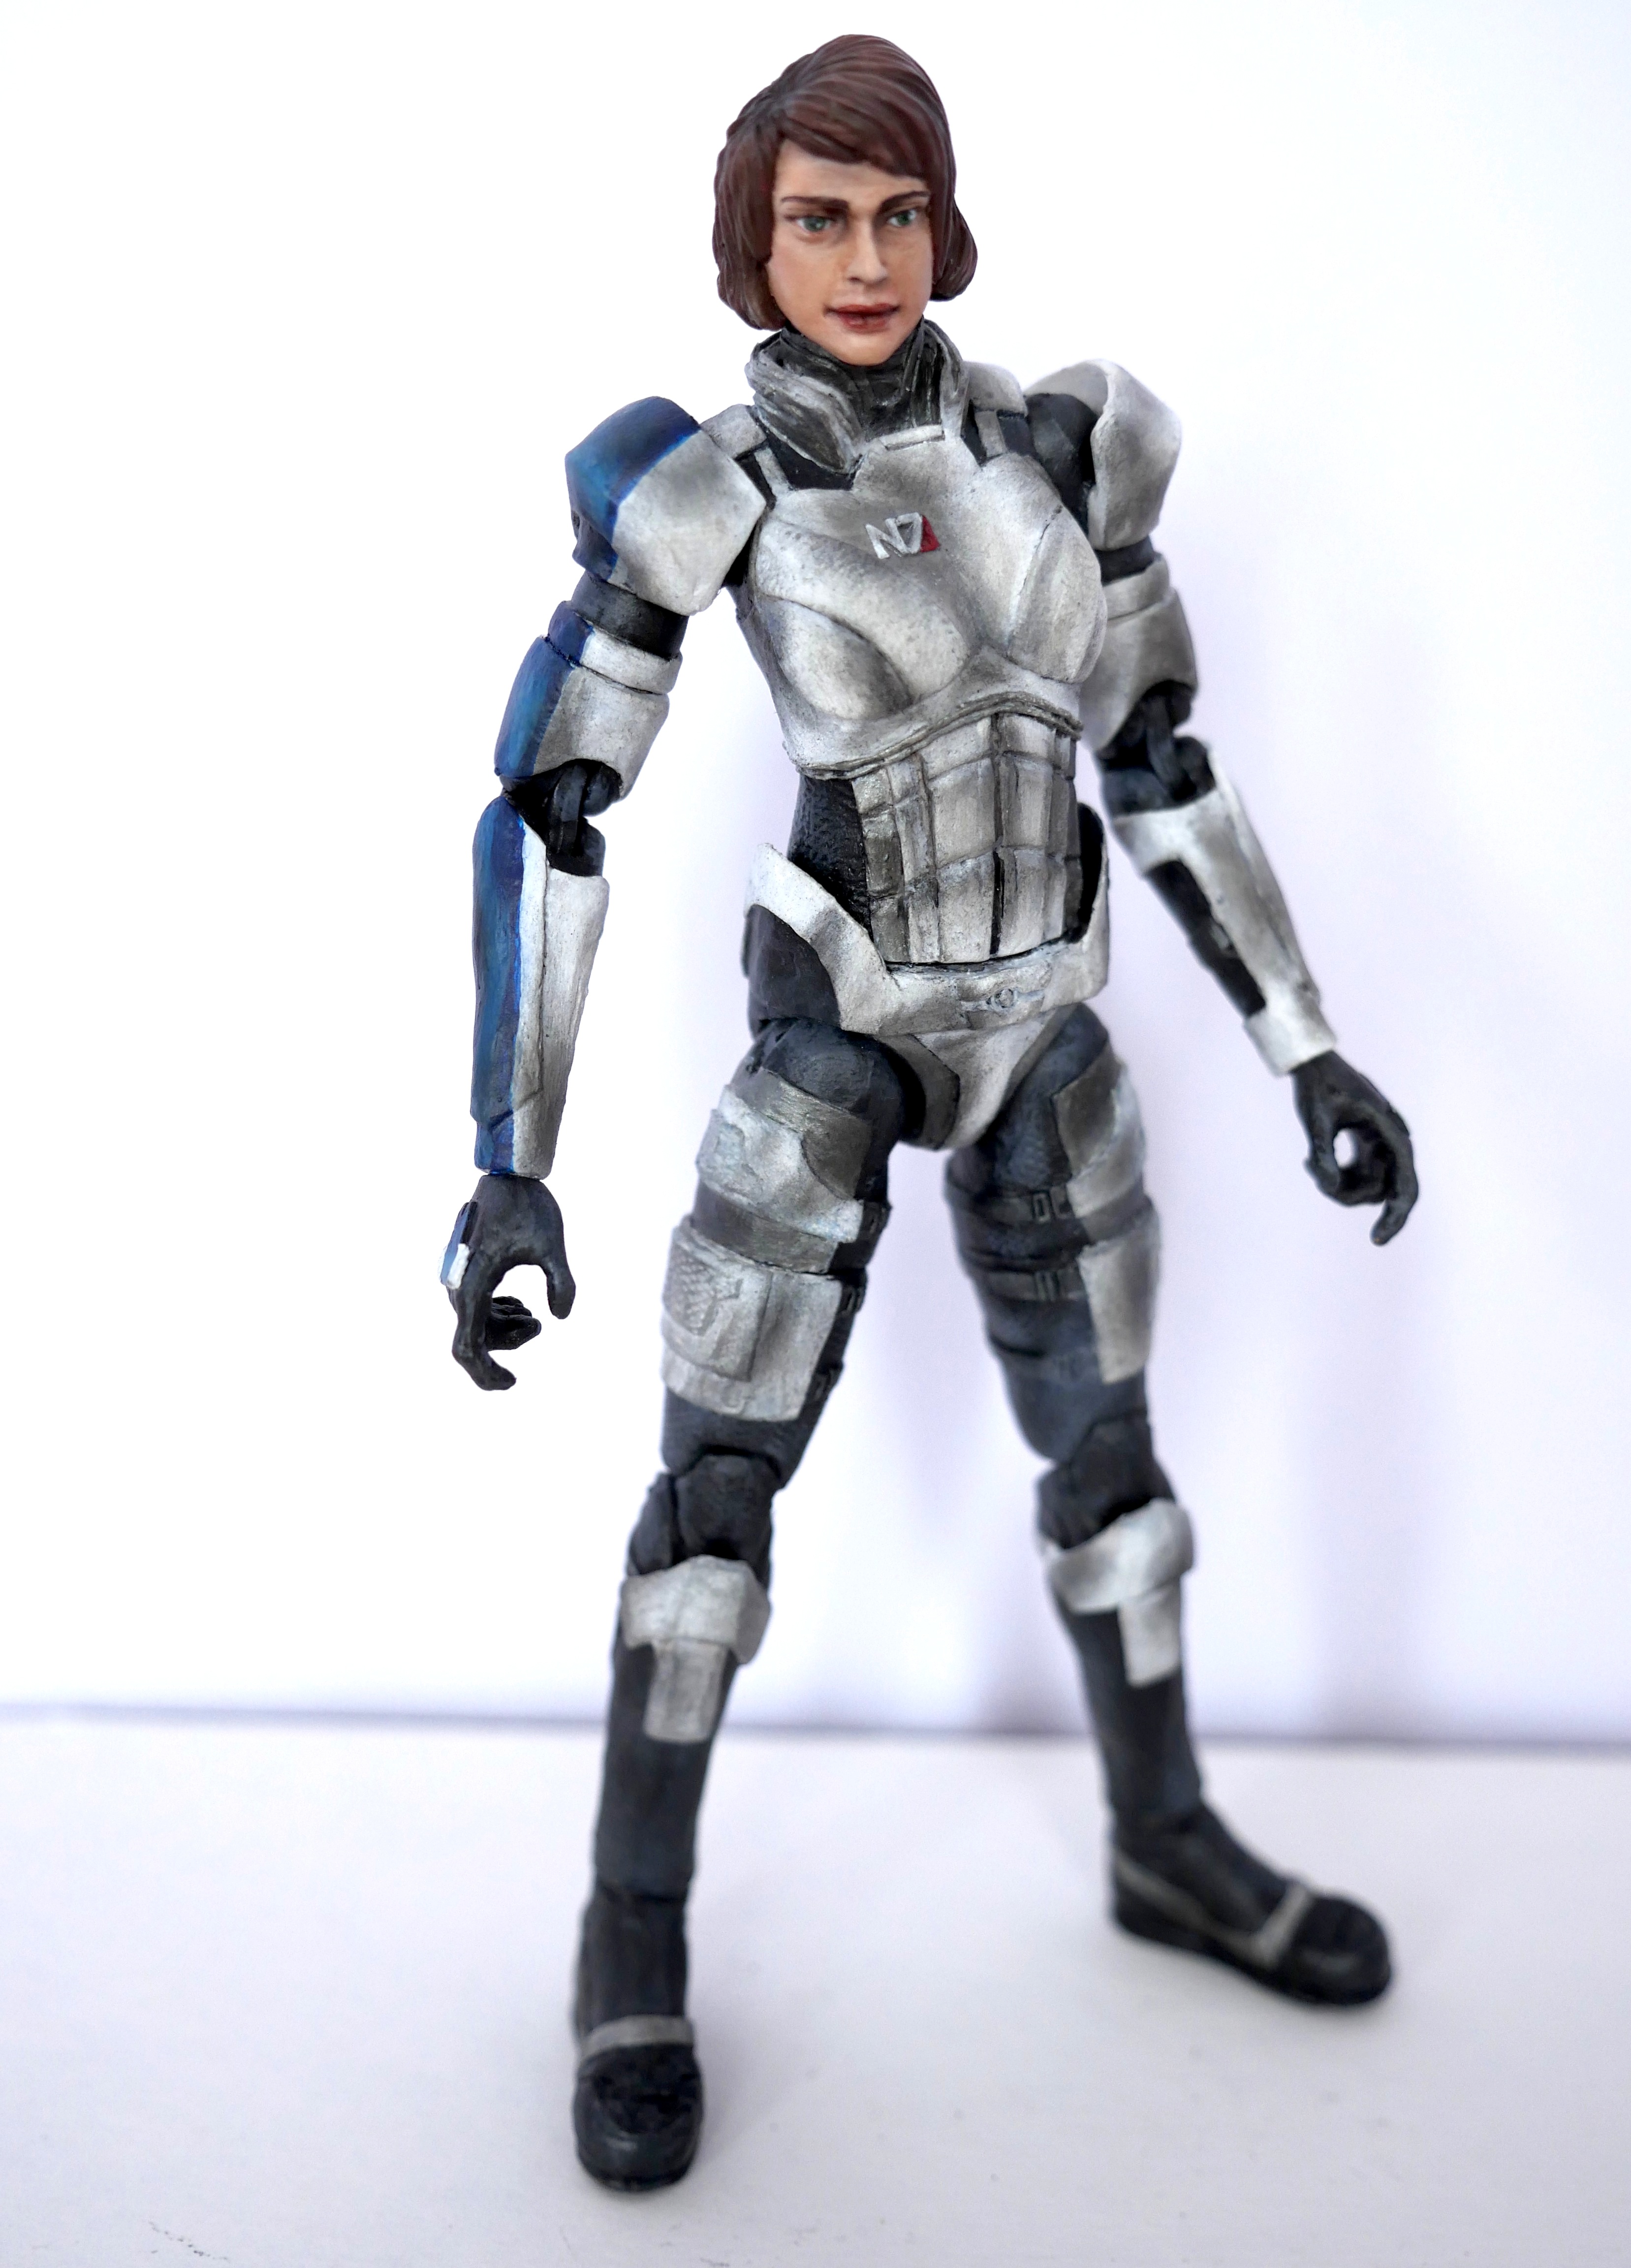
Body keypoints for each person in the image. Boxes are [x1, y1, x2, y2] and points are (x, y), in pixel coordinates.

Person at [440, 34, 1419, 2193]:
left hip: (1045, 1026)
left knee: (1117, 1479)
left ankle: (1164, 1839)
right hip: (842, 1042)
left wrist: (1307, 1047)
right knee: (711, 1523)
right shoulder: (707, 490)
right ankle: (630, 1941)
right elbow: (556, 811)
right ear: (756, 241)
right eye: (820, 219)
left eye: (897, 213)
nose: (866, 259)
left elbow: (1159, 762)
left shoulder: (1070, 453)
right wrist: (511, 1162)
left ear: (943, 223)